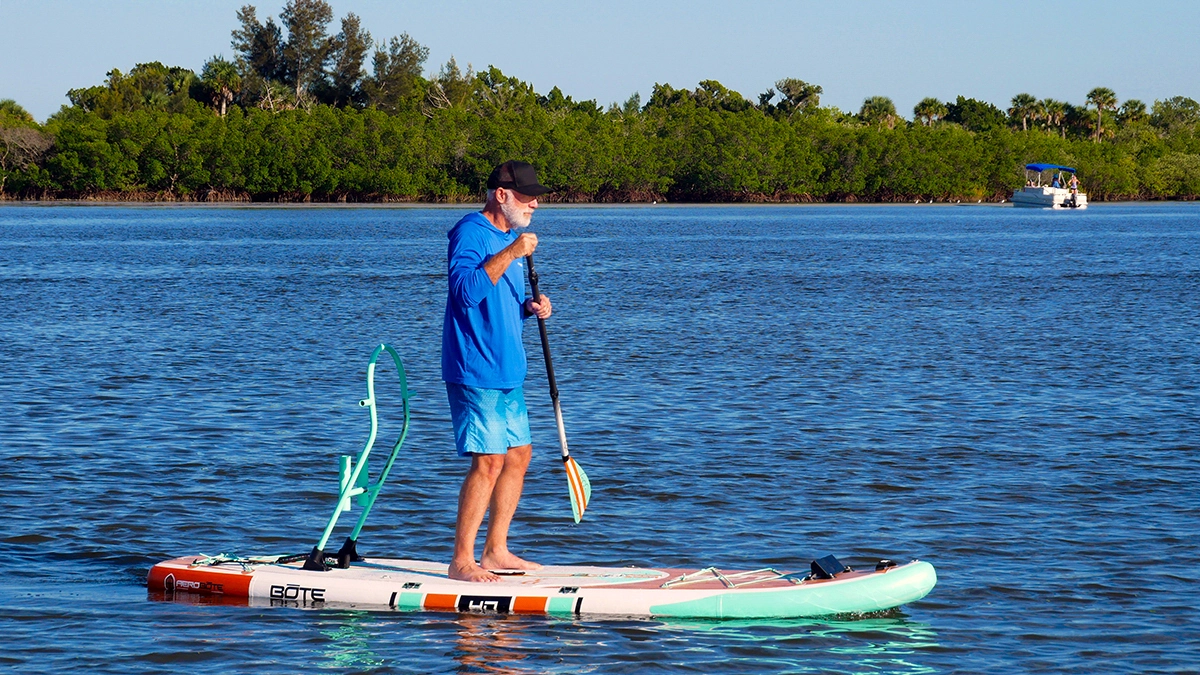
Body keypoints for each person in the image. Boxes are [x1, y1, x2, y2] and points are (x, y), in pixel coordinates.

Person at [442, 160, 552, 583]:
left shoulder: (509, 236)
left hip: (509, 368)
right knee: (488, 461)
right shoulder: (470, 231)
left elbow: (496, 301)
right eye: (527, 196)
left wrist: (530, 308)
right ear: (501, 195)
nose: (535, 204)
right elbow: (465, 293)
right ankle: (461, 560)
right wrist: (512, 252)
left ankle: (496, 550)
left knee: (519, 456)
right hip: (475, 368)